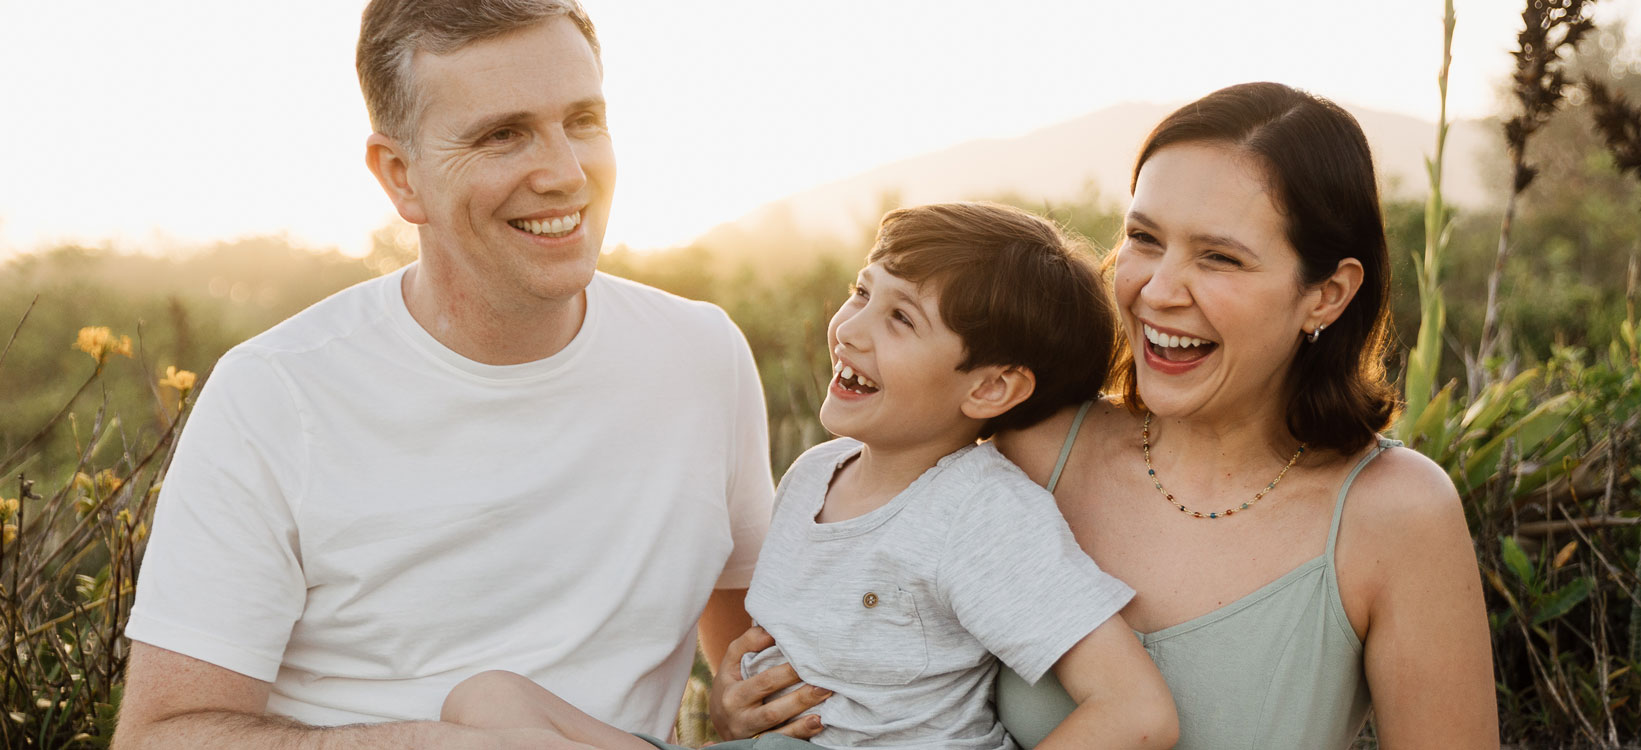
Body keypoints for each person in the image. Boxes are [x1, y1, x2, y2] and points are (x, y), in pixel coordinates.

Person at [712, 83, 1500, 748]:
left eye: (1219, 257)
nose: (1159, 289)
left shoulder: (1395, 515)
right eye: (1144, 239)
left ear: (1326, 294)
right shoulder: (1024, 447)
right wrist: (746, 701)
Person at [112, 2, 773, 748]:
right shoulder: (273, 396)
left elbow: (758, 657)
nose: (564, 173)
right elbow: (159, 738)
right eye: (503, 134)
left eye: (583, 120)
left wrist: (739, 710)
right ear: (401, 177)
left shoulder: (701, 356)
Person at [437, 203, 1179, 750]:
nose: (851, 329)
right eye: (864, 292)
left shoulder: (978, 512)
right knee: (483, 701)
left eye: (901, 320)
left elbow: (1136, 714)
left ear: (989, 390)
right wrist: (730, 710)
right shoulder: (817, 472)